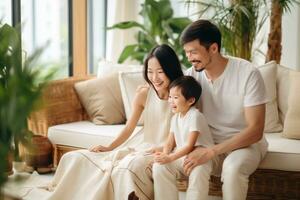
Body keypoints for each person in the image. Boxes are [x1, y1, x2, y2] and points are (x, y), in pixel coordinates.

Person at [46, 44, 184, 200]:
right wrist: (109, 147)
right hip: (142, 143)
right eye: (150, 72)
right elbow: (129, 128)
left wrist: (162, 149)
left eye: (160, 72)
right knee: (75, 158)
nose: (154, 78)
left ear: (171, 70)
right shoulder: (144, 94)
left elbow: (183, 130)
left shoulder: (182, 95)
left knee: (127, 168)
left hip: (167, 148)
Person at [153, 19, 268, 200]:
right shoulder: (191, 76)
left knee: (232, 169)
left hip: (243, 146)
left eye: (193, 52)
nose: (189, 58)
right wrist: (166, 151)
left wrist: (212, 152)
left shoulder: (248, 73)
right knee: (160, 166)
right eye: (186, 53)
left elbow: (255, 131)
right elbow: (181, 115)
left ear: (213, 48)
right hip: (206, 146)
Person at [153, 76, 214, 200]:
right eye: (170, 97)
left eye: (176, 97)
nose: (171, 101)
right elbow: (169, 143)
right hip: (182, 157)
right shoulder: (175, 118)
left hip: (201, 158)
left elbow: (189, 146)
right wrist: (164, 156)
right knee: (159, 166)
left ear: (190, 100)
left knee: (199, 172)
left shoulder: (195, 116)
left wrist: (170, 157)